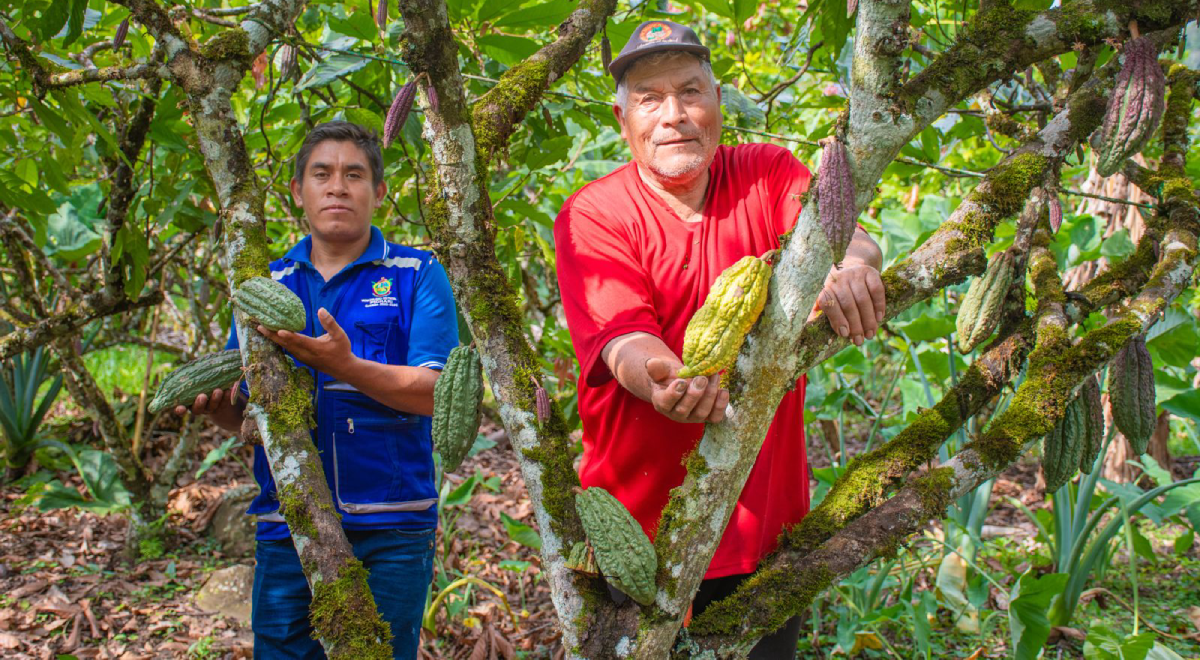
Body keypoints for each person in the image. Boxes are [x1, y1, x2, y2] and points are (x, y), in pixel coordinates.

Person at [553, 21, 885, 657]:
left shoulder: (765, 173)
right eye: (650, 98)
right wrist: (663, 380)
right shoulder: (594, 213)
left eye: (690, 91)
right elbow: (622, 340)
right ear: (623, 119)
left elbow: (843, 232)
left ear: (718, 101)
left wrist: (852, 265)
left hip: (765, 529)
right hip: (639, 538)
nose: (674, 115)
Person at [179, 121, 459, 659]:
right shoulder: (264, 284)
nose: (337, 187)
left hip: (391, 523)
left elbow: (436, 394)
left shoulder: (416, 273)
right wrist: (221, 411)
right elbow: (255, 415)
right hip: (290, 523)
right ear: (298, 191)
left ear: (378, 192)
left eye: (354, 174)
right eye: (321, 174)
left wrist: (346, 366)